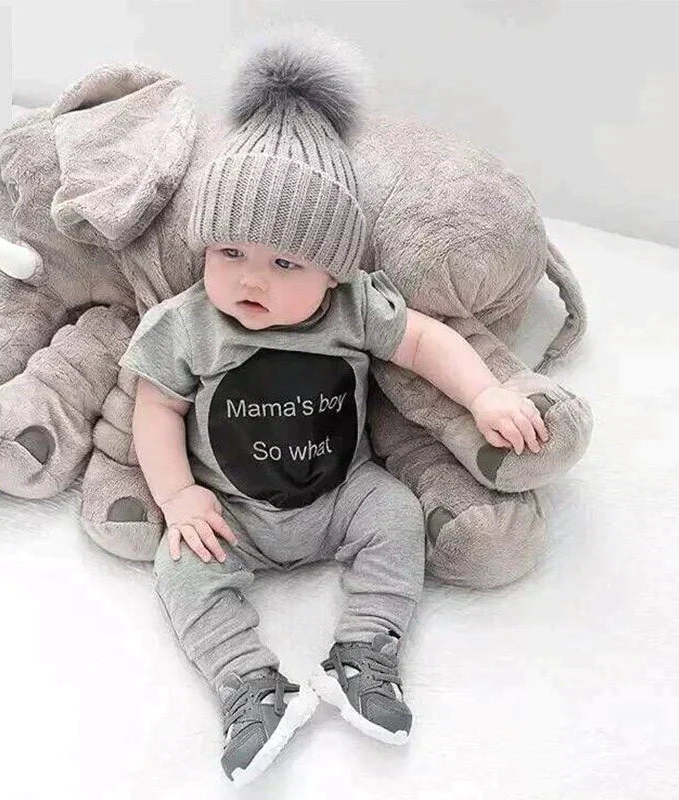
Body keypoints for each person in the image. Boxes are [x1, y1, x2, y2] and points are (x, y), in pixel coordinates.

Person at [119, 31, 548, 786]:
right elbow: (155, 409)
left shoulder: (354, 308)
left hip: (342, 495)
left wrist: (485, 393)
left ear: (333, 270)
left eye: (284, 262)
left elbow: (426, 341)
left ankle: (365, 651)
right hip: (231, 510)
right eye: (229, 253)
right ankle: (248, 685)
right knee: (179, 565)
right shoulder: (186, 324)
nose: (251, 279)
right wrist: (178, 495)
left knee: (397, 514)